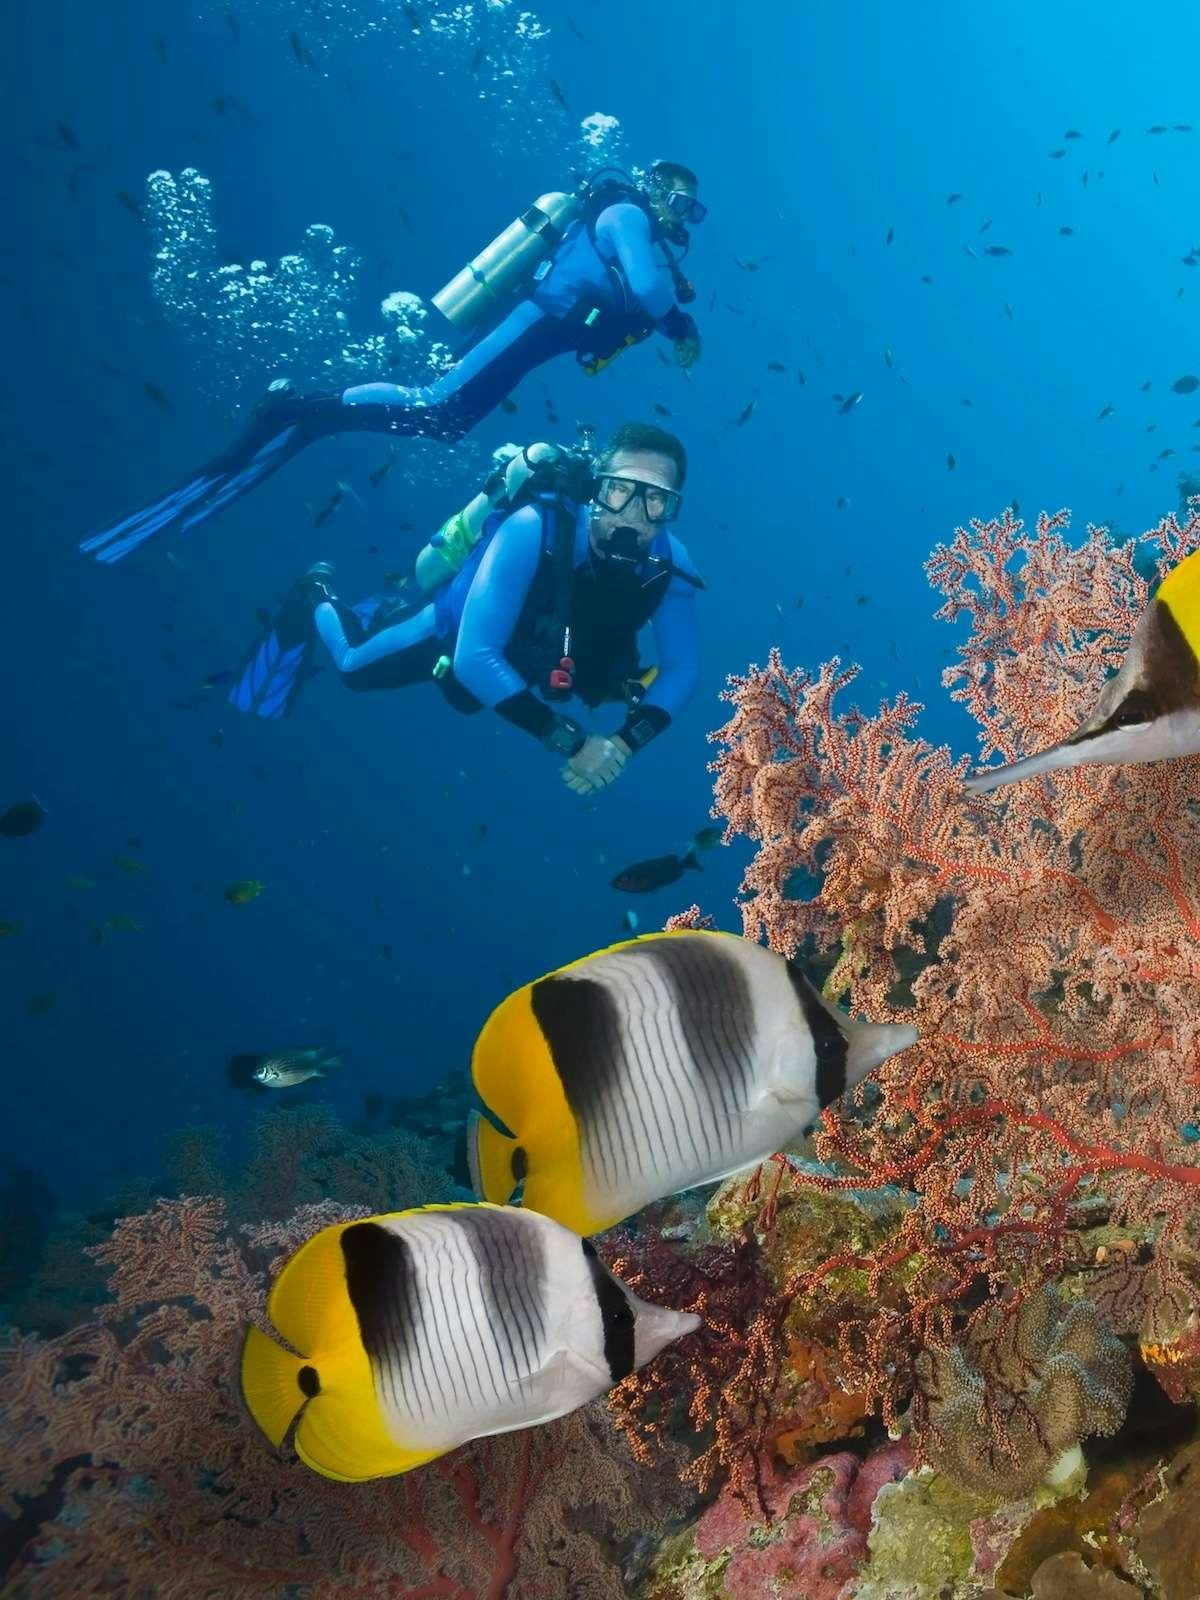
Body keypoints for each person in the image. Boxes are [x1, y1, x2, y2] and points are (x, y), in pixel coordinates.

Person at [82, 162, 706, 565]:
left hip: (541, 334)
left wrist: (662, 316)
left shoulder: (640, 235)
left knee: (446, 422)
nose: (681, 214)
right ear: (653, 188)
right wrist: (676, 320)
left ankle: (322, 414)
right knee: (436, 401)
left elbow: (636, 299)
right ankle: (299, 405)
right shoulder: (625, 214)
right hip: (533, 322)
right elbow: (650, 293)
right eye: (678, 199)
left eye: (691, 210)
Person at [229, 422, 702, 796]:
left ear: (674, 509)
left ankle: (383, 607)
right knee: (353, 666)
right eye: (620, 490)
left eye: (657, 500)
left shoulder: (670, 562)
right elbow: (475, 656)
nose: (634, 516)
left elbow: (682, 669)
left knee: (490, 694)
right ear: (596, 489)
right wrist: (574, 744)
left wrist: (621, 745)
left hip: (537, 650)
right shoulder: (533, 527)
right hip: (458, 629)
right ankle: (316, 590)